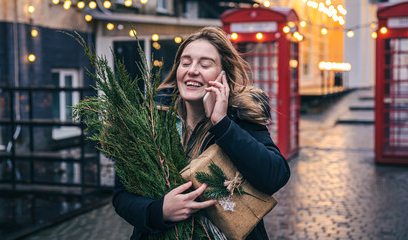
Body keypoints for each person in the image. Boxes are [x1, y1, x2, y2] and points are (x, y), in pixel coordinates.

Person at [112, 27, 290, 240]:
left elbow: (275, 176)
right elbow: (122, 194)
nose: (192, 70)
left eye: (205, 64)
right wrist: (157, 211)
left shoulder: (239, 118)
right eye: (185, 63)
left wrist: (222, 124)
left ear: (223, 75)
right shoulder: (151, 118)